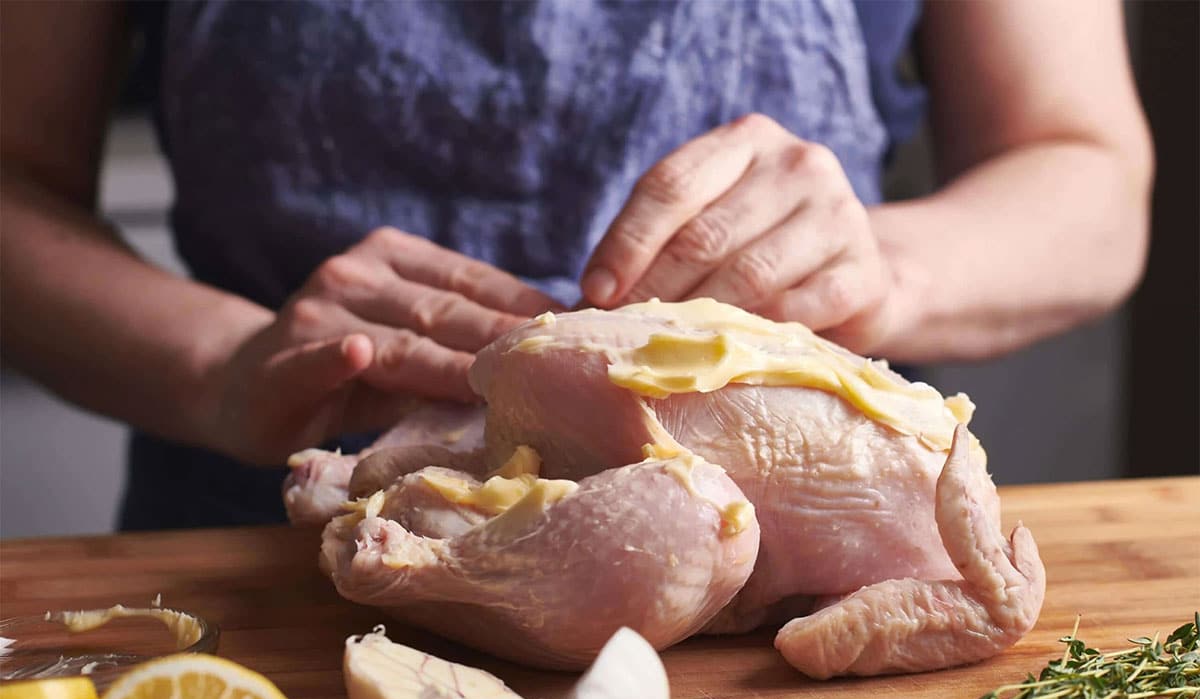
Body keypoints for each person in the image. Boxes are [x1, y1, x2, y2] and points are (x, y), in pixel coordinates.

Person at [0, 1, 1152, 530]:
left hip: (789, 567)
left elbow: (1087, 176)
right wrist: (217, 363)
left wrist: (883, 267)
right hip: (272, 550)